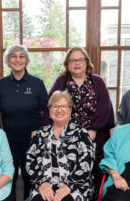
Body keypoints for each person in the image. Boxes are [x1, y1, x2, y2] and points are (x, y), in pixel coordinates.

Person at [26, 91, 95, 201]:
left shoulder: (81, 133)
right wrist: (41, 183)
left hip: (75, 187)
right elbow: (30, 160)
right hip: (44, 185)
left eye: (63, 106)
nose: (58, 110)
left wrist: (68, 186)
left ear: (70, 110)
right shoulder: (41, 133)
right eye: (54, 106)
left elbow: (87, 163)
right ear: (48, 111)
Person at [41, 47, 114, 192]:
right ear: (67, 64)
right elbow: (51, 105)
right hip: (65, 135)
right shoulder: (61, 81)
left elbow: (105, 107)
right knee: (68, 170)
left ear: (87, 62)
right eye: (72, 60)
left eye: (80, 59)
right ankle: (69, 195)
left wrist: (92, 130)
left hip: (94, 134)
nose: (77, 63)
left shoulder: (97, 81)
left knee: (94, 168)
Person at [0, 44, 48, 201]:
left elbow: (46, 112)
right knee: (7, 176)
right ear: (8, 60)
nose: (17, 60)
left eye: (21, 56)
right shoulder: (0, 85)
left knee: (30, 175)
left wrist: (39, 132)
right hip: (7, 140)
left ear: (26, 60)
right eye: (14, 56)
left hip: (31, 140)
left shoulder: (37, 84)